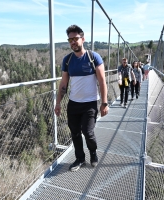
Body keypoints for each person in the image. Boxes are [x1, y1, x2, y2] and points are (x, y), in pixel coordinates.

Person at [54, 25, 108, 172]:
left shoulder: (93, 57)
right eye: (70, 39)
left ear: (82, 39)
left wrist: (104, 103)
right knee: (75, 132)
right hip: (73, 104)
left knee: (88, 132)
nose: (73, 42)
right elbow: (63, 84)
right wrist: (58, 102)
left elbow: (102, 81)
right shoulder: (67, 60)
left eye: (75, 38)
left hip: (90, 103)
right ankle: (80, 158)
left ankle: (93, 152)